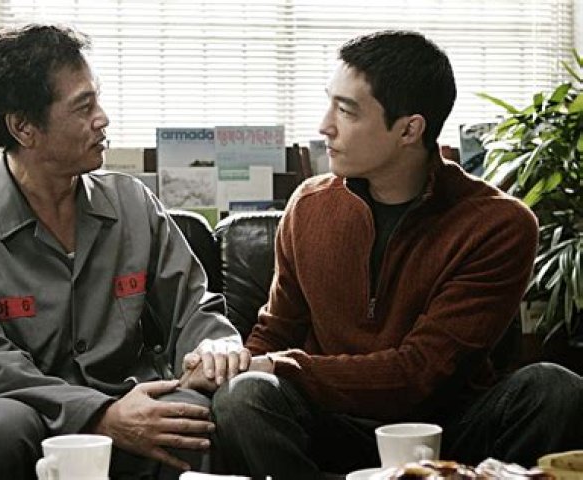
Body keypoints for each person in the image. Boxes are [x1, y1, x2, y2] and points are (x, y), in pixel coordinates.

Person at [209, 30, 583, 479]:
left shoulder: (499, 224)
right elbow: (276, 331)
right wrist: (233, 365)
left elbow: (421, 371)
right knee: (243, 397)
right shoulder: (309, 205)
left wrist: (281, 366)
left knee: (555, 389)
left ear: (409, 129)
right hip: (333, 424)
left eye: (346, 111)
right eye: (330, 103)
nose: (325, 126)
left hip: (451, 431)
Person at [0, 24, 248, 480]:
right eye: (83, 106)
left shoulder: (132, 203)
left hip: (134, 399)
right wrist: (98, 416)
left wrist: (214, 344)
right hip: (29, 415)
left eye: (98, 100)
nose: (103, 119)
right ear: (23, 127)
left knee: (187, 417)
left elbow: (192, 308)